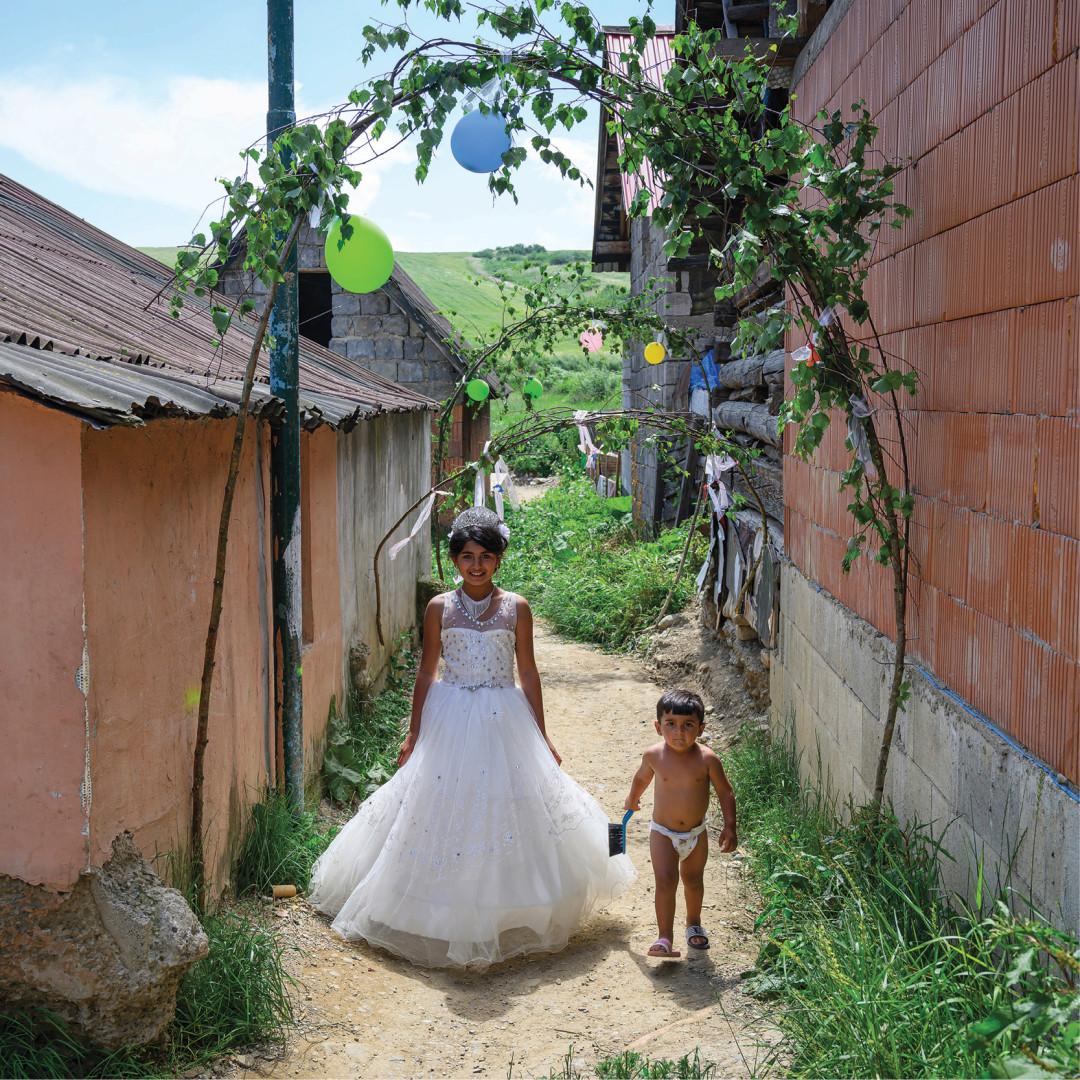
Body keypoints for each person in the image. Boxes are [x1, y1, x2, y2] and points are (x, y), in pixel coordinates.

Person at [309, 506, 635, 968]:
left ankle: (512, 909)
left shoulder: (517, 607)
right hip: (450, 714)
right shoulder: (438, 607)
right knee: (437, 802)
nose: (476, 565)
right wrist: (414, 731)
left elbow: (528, 671)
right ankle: (432, 910)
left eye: (485, 556)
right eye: (467, 556)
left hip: (504, 716)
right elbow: (427, 671)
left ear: (499, 559)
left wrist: (542, 735)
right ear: (454, 560)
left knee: (514, 801)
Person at [623, 689, 737, 958]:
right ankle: (664, 937)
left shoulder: (708, 759)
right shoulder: (653, 756)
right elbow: (641, 778)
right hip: (663, 833)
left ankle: (693, 924)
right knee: (665, 881)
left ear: (701, 729)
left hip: (696, 833)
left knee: (694, 880)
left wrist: (730, 825)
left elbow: (725, 792)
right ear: (658, 727)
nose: (679, 732)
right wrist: (632, 798)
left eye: (688, 725)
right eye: (671, 724)